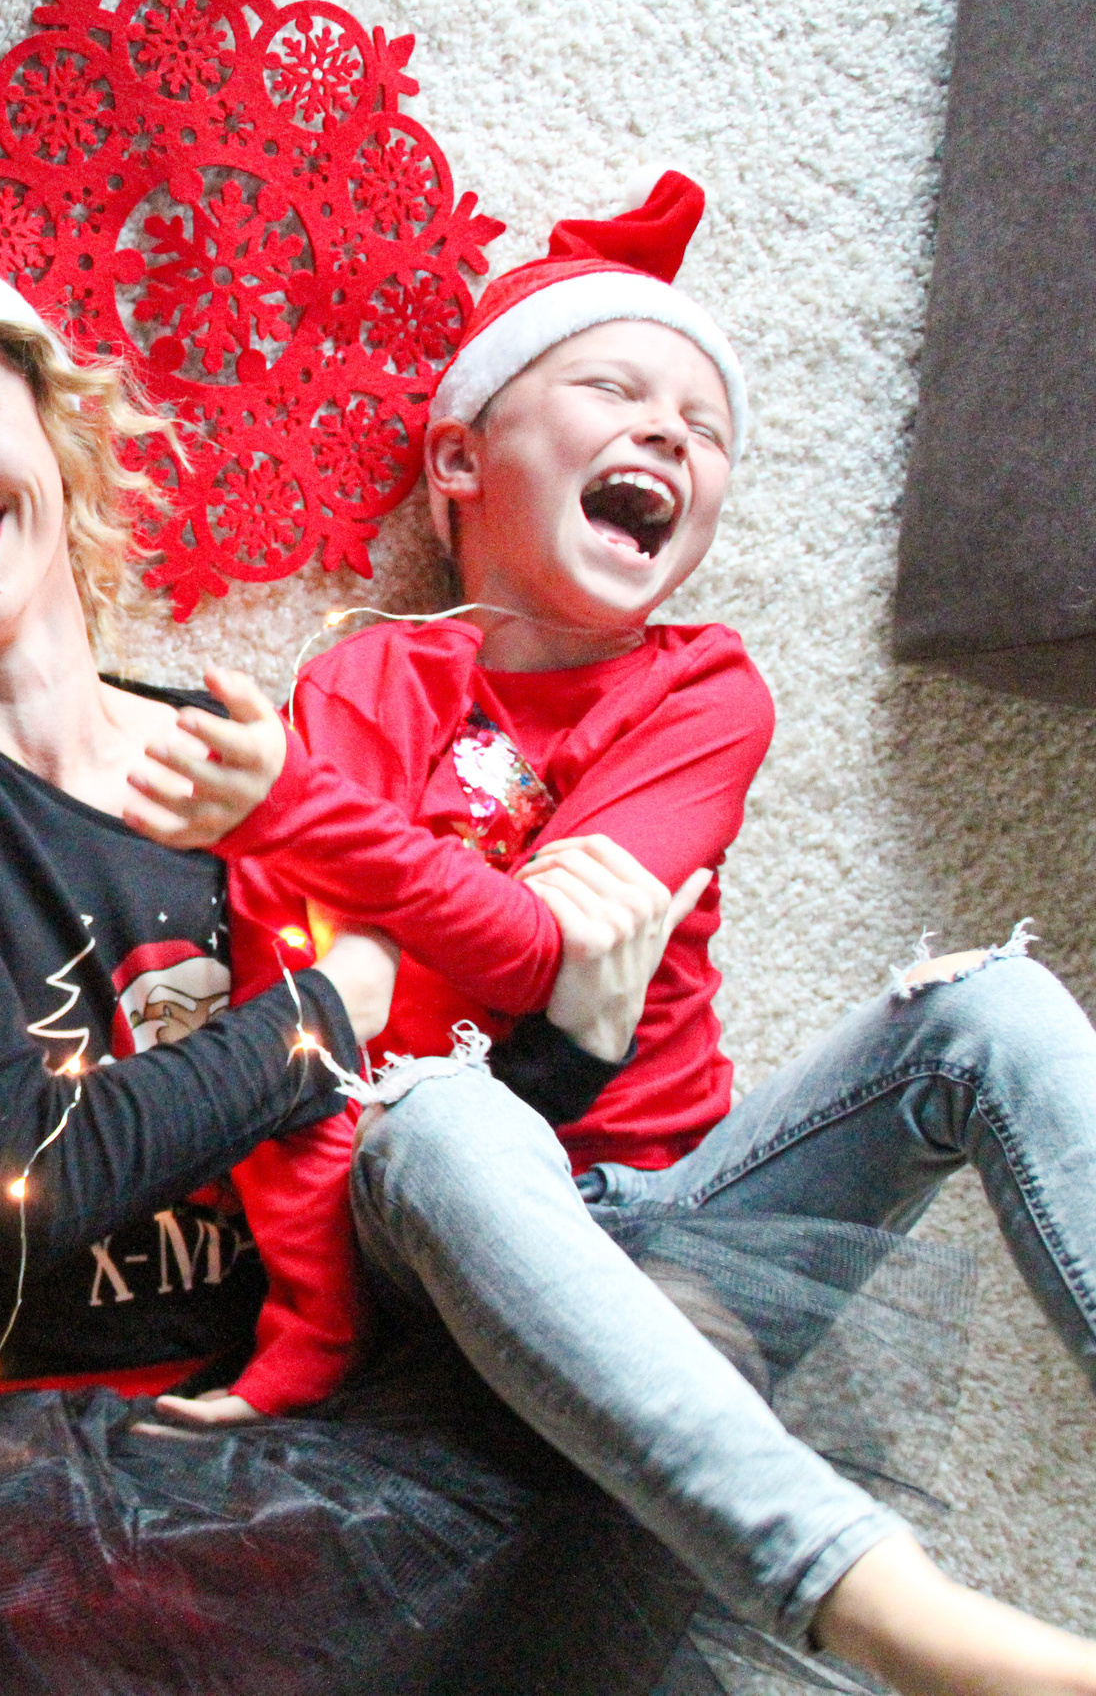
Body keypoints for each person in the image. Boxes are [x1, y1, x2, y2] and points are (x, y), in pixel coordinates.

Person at [0, 55, 1096, 1696]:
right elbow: (7, 1211)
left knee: (962, 1027)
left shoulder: (238, 737)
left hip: (413, 1409)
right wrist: (346, 1003)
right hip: (85, 1484)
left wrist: (575, 1034)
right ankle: (883, 1619)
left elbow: (437, 1126)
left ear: (51, 414)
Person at [128, 173, 1096, 1696]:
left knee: (994, 1005)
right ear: (461, 455)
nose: (672, 434)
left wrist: (291, 818)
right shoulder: (360, 690)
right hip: (438, 1231)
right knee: (436, 1100)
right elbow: (318, 1032)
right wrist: (309, 1329)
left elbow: (522, 954)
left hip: (688, 1210)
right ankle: (872, 1606)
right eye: (613, 388)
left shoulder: (705, 689)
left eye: (707, 428)